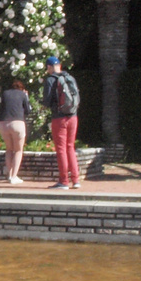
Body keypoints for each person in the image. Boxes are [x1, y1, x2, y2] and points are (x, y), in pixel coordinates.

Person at [42, 55, 81, 188]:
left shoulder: (50, 80)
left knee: (61, 149)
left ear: (49, 67)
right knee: (70, 147)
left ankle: (64, 181)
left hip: (59, 118)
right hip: (73, 117)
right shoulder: (70, 78)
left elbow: (47, 101)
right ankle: (76, 180)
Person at [0, 78, 32, 185]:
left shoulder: (5, 94)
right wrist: (26, 97)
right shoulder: (22, 94)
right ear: (21, 88)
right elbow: (28, 110)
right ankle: (14, 177)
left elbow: (2, 107)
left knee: (9, 149)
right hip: (17, 123)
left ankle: (10, 174)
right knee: (18, 150)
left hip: (3, 123)